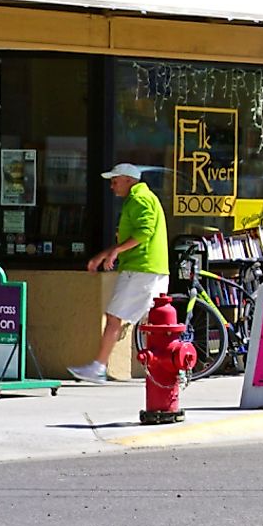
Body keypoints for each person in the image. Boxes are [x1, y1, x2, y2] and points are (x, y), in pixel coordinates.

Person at [71, 163, 166, 383]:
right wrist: (105, 254)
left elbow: (144, 233)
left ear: (128, 179)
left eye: (115, 181)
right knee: (152, 320)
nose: (112, 186)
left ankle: (98, 367)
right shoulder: (139, 198)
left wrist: (114, 251)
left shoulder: (140, 199)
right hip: (145, 268)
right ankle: (167, 365)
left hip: (141, 268)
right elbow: (133, 237)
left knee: (115, 318)